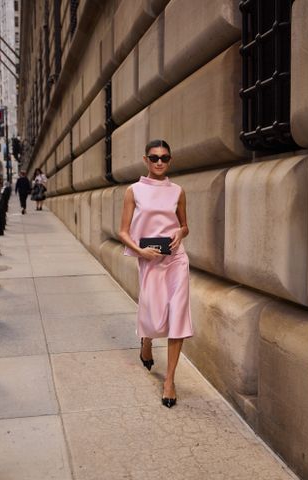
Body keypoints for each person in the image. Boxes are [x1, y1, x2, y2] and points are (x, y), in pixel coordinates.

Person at [119, 139, 193, 408]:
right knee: (151, 315)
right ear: (145, 160)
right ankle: (146, 341)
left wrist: (179, 232)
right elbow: (123, 232)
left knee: (178, 315)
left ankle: (169, 381)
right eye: (154, 158)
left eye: (164, 157)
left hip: (176, 259)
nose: (159, 162)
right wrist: (140, 251)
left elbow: (185, 226)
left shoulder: (178, 191)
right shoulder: (134, 191)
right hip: (150, 260)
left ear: (170, 160)